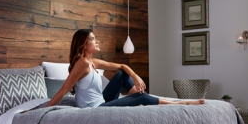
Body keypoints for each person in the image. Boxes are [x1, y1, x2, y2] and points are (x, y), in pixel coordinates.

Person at [46, 29, 205, 108]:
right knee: (141, 98)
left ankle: (140, 96)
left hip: (102, 101)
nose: (97, 41)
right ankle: (180, 104)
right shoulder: (82, 63)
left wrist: (135, 76)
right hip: (95, 109)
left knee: (123, 73)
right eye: (93, 39)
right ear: (83, 44)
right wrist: (43, 109)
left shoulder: (92, 62)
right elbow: (64, 89)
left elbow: (122, 66)